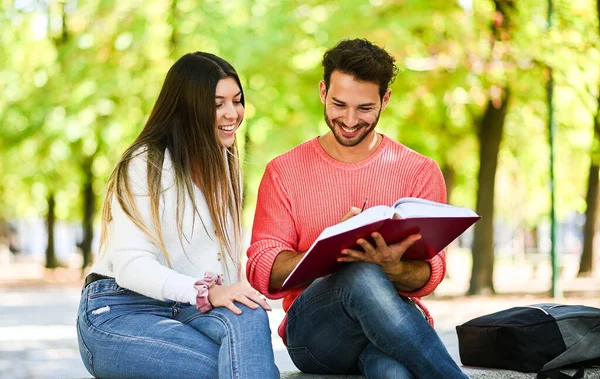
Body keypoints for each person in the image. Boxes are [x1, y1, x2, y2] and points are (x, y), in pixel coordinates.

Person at [247, 39, 469, 378]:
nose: (349, 120)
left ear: (385, 100)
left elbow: (431, 271)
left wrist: (392, 269)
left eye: (364, 108)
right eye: (339, 104)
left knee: (393, 373)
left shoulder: (419, 171)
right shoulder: (284, 171)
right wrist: (330, 248)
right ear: (323, 92)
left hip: (393, 329)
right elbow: (263, 270)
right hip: (316, 337)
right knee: (360, 273)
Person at [76, 52, 279, 379]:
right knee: (228, 368)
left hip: (189, 310)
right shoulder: (146, 163)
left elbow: (223, 268)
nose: (233, 113)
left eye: (237, 101)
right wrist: (206, 292)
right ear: (188, 109)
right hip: (120, 311)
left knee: (248, 315)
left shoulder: (223, 166)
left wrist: (227, 293)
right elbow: (131, 267)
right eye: (218, 104)